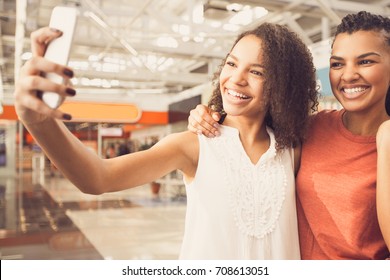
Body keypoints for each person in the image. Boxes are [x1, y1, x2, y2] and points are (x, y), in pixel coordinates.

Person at [14, 22, 318, 259]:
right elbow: (97, 178)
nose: (236, 78)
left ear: (283, 85)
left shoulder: (291, 150)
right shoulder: (193, 145)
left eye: (257, 71)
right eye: (231, 63)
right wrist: (37, 120)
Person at [187, 11, 390, 260]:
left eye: (366, 62)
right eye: (337, 64)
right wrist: (206, 115)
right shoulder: (309, 129)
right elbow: (252, 121)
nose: (348, 75)